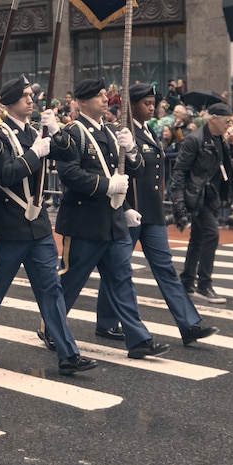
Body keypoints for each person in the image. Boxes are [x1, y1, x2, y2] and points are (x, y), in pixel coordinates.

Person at [0, 78, 97, 375]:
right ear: (9, 103)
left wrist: (57, 132)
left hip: (37, 225)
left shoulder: (37, 130)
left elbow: (68, 154)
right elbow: (5, 174)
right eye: (24, 96)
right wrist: (34, 154)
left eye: (31, 95)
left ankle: (67, 353)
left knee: (51, 288)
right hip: (9, 221)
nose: (31, 100)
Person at [94, 84, 217, 348]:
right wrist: (124, 206)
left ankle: (189, 324)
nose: (152, 107)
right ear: (132, 105)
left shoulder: (149, 130)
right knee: (118, 268)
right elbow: (114, 174)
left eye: (154, 103)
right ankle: (106, 321)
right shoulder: (119, 132)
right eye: (146, 103)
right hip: (129, 210)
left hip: (152, 211)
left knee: (165, 268)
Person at [55, 79, 170, 359]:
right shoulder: (72, 133)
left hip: (113, 220)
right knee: (70, 280)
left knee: (122, 279)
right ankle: (51, 325)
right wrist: (106, 186)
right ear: (82, 102)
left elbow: (134, 173)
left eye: (106, 94)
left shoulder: (111, 132)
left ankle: (138, 338)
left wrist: (131, 153)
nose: (106, 99)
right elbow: (69, 174)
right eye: (98, 95)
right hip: (84, 221)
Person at [171, 101, 233, 301]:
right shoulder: (194, 140)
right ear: (214, 118)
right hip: (197, 195)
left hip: (211, 195)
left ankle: (187, 281)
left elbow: (221, 164)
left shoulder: (219, 139)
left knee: (199, 238)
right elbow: (180, 172)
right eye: (227, 121)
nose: (229, 125)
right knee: (211, 235)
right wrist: (179, 203)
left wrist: (232, 146)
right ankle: (204, 284)